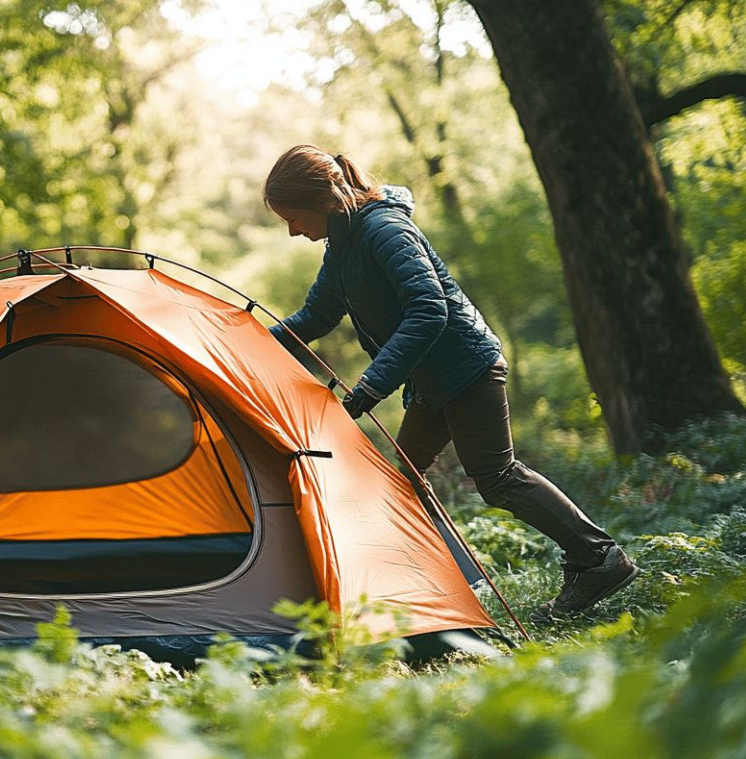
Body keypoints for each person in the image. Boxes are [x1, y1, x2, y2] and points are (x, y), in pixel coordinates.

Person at [263, 144, 638, 621]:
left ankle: (598, 559)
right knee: (404, 479)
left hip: (468, 367)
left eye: (294, 217)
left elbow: (429, 309)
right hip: (432, 381)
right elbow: (314, 317)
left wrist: (373, 384)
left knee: (497, 478)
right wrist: (245, 339)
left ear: (326, 198)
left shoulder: (385, 230)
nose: (295, 230)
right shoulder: (342, 245)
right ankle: (420, 587)